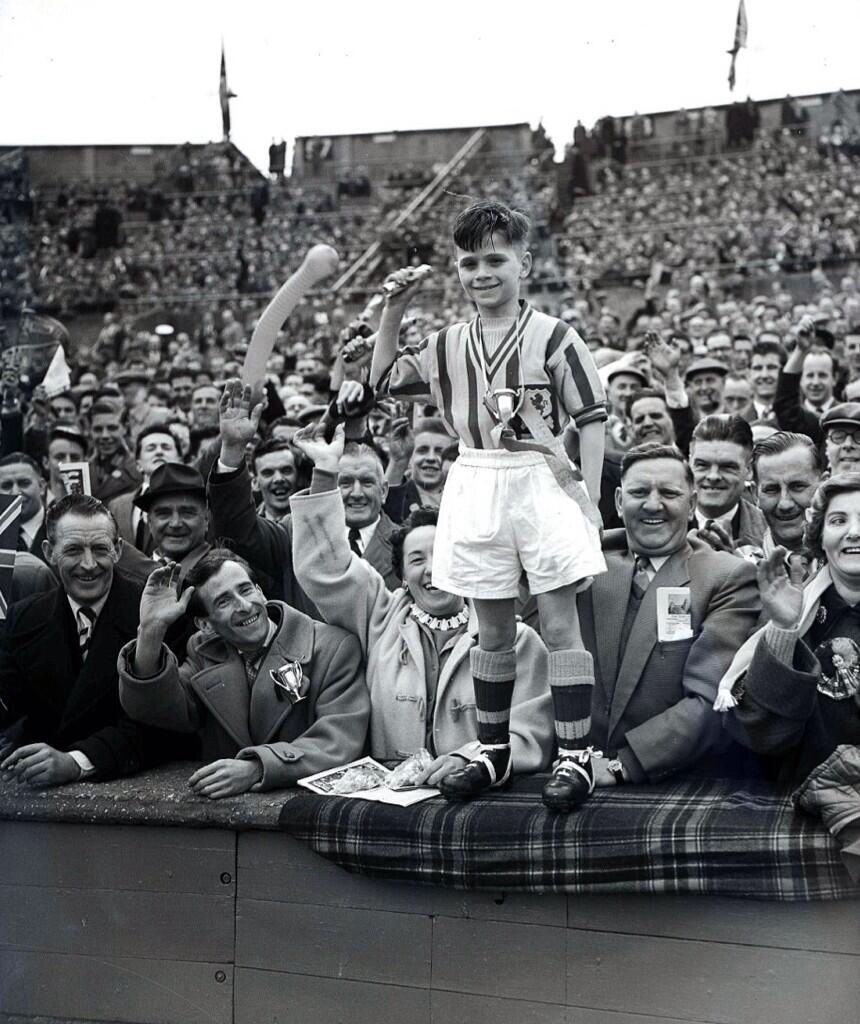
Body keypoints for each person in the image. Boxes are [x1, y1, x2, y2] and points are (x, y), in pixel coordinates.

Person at [368, 199, 607, 809]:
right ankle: (494, 749)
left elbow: (592, 417)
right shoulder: (447, 343)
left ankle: (576, 756)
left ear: (524, 262)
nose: (482, 272)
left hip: (542, 475)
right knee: (493, 627)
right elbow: (384, 380)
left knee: (558, 624)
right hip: (475, 474)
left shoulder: (556, 335)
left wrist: (592, 497)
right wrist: (394, 309)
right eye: (469, 262)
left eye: (495, 259)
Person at [289, 424, 553, 785]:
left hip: (481, 800)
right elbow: (326, 566)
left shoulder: (516, 638)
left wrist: (471, 760)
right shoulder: (379, 617)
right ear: (402, 575)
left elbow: (531, 732)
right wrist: (324, 473)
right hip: (393, 801)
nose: (433, 569)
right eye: (416, 560)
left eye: (443, 553)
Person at [117, 549, 370, 797]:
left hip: (305, 810)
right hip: (225, 822)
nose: (244, 605)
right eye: (223, 601)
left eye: (246, 589)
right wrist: (150, 631)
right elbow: (158, 710)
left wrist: (257, 767)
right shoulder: (204, 651)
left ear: (260, 591)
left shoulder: (332, 647)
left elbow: (338, 740)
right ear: (205, 624)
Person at [578, 443, 760, 784]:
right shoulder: (587, 567)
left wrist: (625, 765)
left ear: (692, 505)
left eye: (669, 492)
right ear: (619, 501)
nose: (652, 504)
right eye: (639, 492)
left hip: (677, 779)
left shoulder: (726, 577)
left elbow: (711, 699)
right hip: (580, 772)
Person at [0, 494, 184, 786]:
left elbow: (160, 724)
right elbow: (11, 709)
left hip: (126, 797)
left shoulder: (158, 612)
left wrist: (76, 762)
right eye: (73, 550)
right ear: (49, 552)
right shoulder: (23, 618)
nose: (88, 565)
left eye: (99, 549)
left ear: (118, 550)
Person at [719, 475, 860, 796]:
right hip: (800, 800)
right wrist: (783, 629)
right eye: (839, 520)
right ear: (820, 538)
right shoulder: (795, 613)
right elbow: (762, 734)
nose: (854, 532)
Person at [212, 381, 401, 596]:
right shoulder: (294, 532)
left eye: (367, 482)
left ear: (384, 490)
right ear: (331, 486)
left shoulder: (406, 542)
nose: (356, 494)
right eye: (345, 483)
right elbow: (238, 530)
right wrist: (233, 450)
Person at [688, 414, 766, 552]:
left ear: (749, 470)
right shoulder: (661, 524)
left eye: (727, 467)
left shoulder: (770, 533)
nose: (713, 476)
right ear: (689, 464)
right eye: (702, 465)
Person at [752, 432, 824, 569]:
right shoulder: (740, 563)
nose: (785, 504)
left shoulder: (850, 554)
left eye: (797, 486)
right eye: (771, 489)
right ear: (755, 494)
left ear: (823, 485)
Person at [108, 425, 182, 555]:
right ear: (138, 465)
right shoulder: (117, 505)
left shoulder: (190, 500)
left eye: (166, 447)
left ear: (180, 461)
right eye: (151, 448)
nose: (159, 452)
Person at [88, 400, 140, 503]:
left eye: (112, 428)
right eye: (98, 429)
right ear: (90, 431)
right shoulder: (84, 470)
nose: (105, 435)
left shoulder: (137, 470)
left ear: (124, 428)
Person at [0, 452, 47, 559]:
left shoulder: (61, 528)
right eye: (6, 486)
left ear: (42, 487)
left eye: (24, 483)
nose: (16, 492)